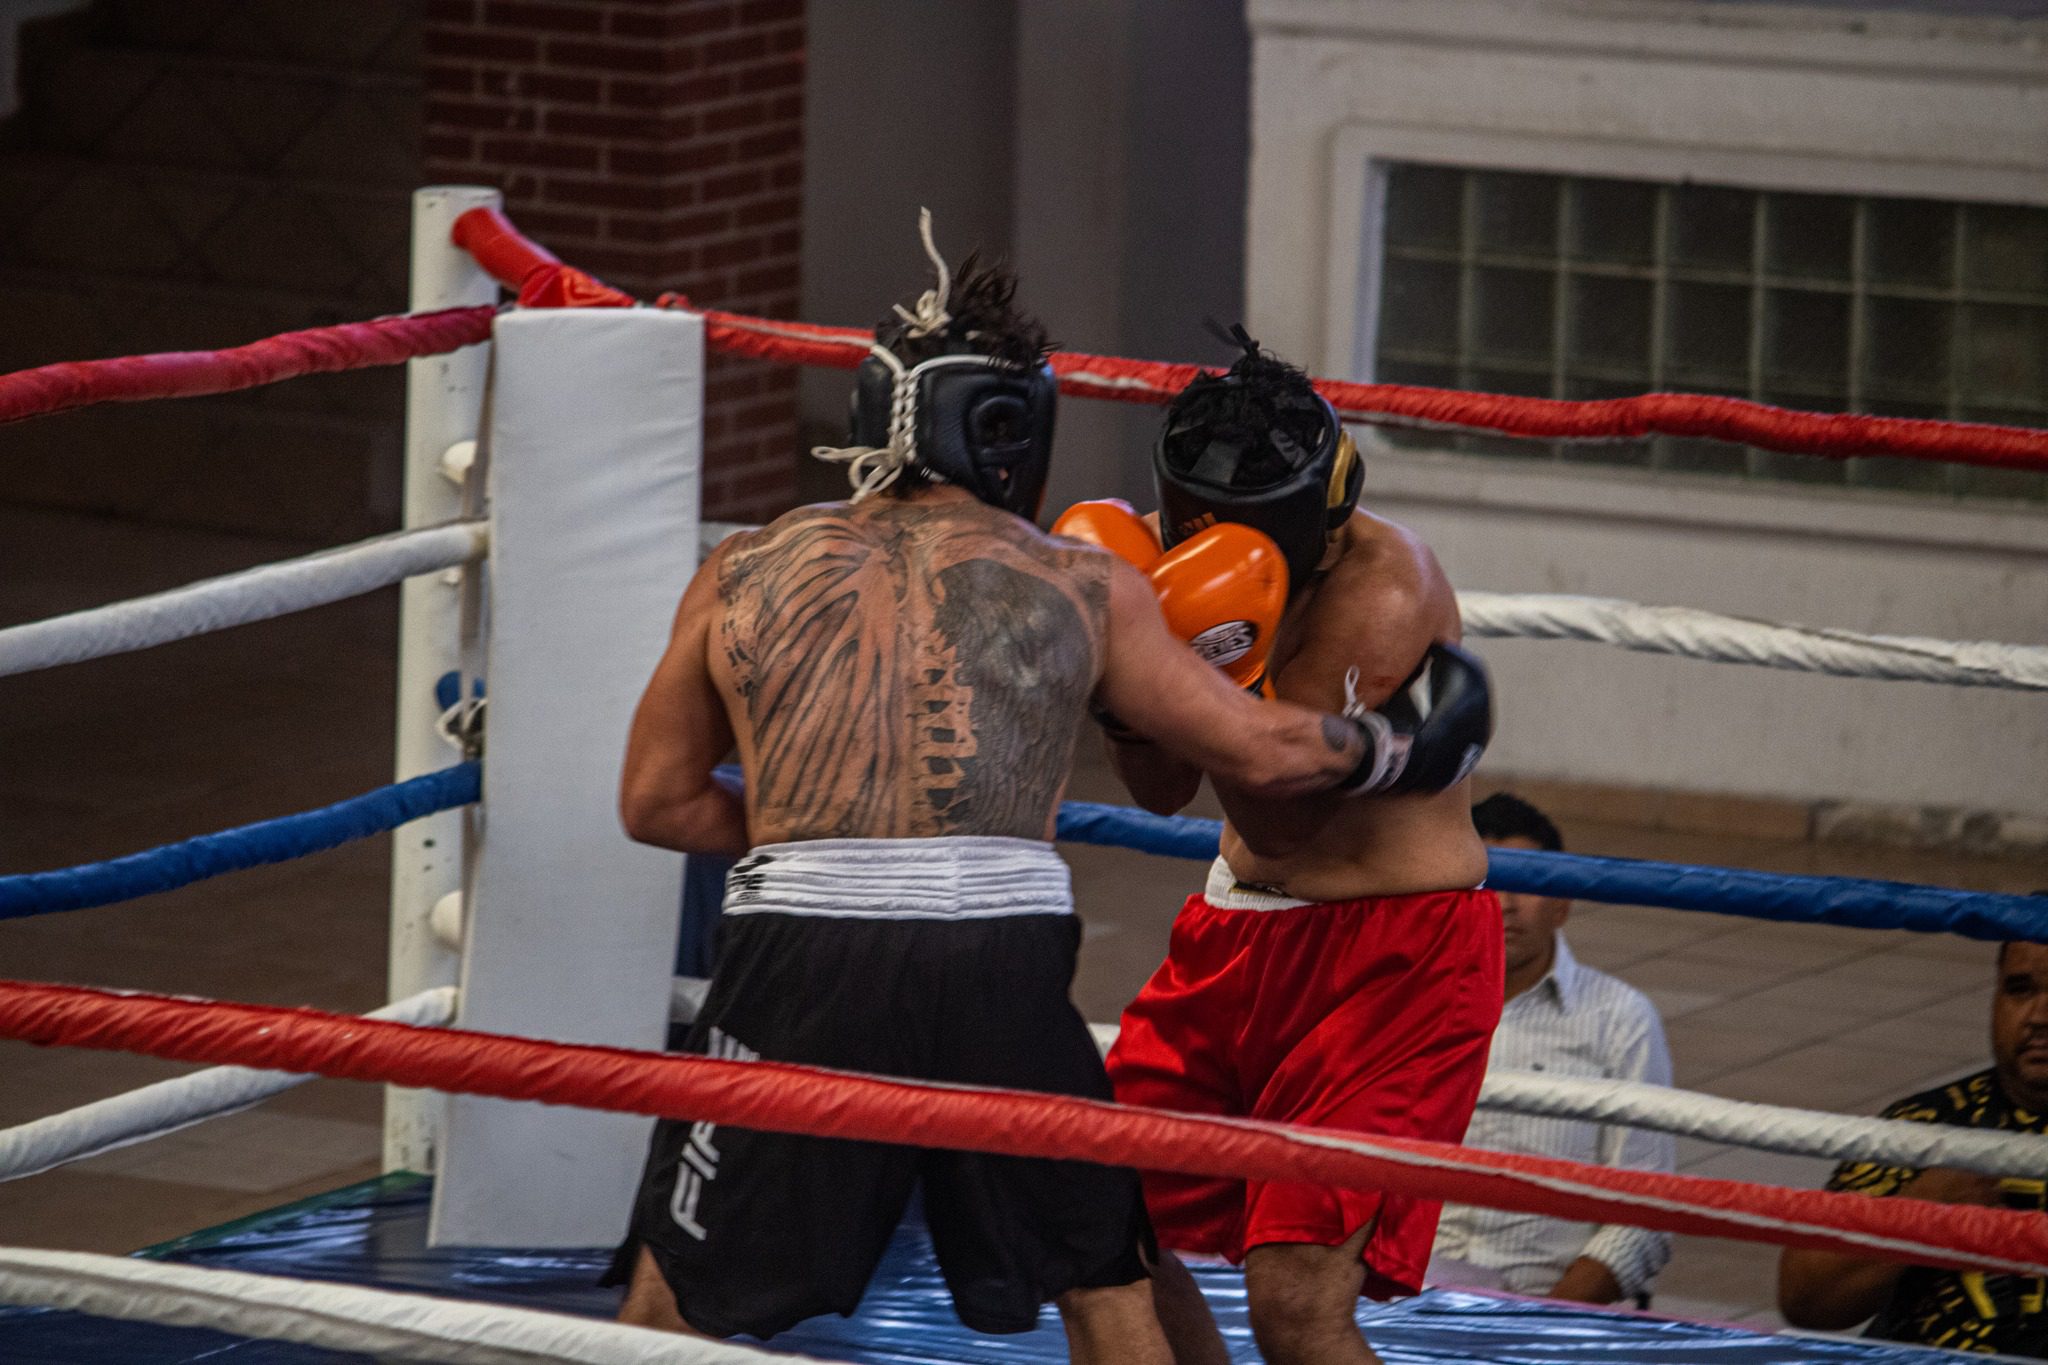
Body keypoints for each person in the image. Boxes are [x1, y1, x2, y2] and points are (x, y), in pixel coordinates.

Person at [602, 237, 1491, 1359]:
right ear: (1020, 434)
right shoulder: (1084, 581)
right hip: (1029, 948)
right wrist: (1375, 737)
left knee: (673, 1294)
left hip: (818, 945)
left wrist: (822, 826)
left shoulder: (741, 567)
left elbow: (654, 804)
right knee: (1109, 1262)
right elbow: (1223, 770)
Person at [1067, 335, 1502, 1365]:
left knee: (1296, 1306)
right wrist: (1129, 696)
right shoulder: (1157, 562)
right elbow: (1166, 788)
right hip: (1232, 934)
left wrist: (1188, 657)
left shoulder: (1383, 592)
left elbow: (1279, 812)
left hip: (1393, 958)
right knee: (1094, 1219)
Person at [1429, 792, 1675, 1305]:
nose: (1505, 903)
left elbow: (1642, 1216)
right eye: (1487, 882)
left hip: (1548, 1307)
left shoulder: (1619, 1018)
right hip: (1404, 1293)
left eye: (1526, 882)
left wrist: (1546, 1320)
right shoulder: (1404, 1002)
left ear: (1562, 903)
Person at [1778, 926, 2048, 1356]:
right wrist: (1927, 1211)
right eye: (2019, 989)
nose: (2038, 1016)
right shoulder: (1927, 1128)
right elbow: (1804, 1298)